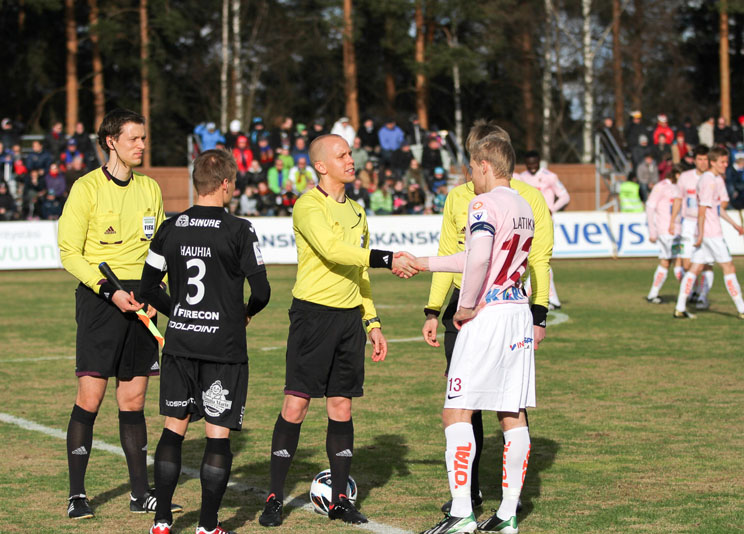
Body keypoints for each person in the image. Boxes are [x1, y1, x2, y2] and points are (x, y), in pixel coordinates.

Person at [258, 134, 416, 527]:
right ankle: (275, 497)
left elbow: (358, 272)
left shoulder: (360, 212)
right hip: (312, 317)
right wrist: (386, 257)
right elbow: (332, 249)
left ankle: (341, 500)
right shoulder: (307, 205)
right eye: (342, 155)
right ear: (322, 166)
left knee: (341, 406)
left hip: (349, 321)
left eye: (350, 153)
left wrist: (373, 322)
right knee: (296, 405)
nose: (351, 160)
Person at [422, 121, 553, 518]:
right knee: (511, 410)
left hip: (486, 310)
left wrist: (463, 307)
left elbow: (477, 259)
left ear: (482, 165)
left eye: (471, 167)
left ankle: (462, 511)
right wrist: (423, 263)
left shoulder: (482, 202)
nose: (470, 176)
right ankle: (508, 513)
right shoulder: (524, 203)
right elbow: (524, 259)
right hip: (516, 308)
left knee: (457, 408)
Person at [139, 149, 271, 534]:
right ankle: (208, 525)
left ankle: (162, 521)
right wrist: (243, 313)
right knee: (217, 434)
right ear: (227, 184)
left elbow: (147, 287)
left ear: (196, 183)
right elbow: (261, 291)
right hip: (223, 349)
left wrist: (177, 309)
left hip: (180, 343)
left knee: (172, 428)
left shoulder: (169, 227)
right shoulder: (240, 229)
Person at [57, 109, 180, 519]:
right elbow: (69, 253)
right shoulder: (86, 188)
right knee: (90, 397)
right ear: (111, 141)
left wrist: (153, 293)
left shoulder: (150, 189)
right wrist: (110, 291)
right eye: (133, 139)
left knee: (134, 399)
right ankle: (77, 494)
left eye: (143, 138)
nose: (141, 145)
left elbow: (160, 251)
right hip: (100, 301)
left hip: (143, 301)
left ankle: (140, 493)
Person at [673, 146, 744, 320]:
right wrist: (700, 234)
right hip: (711, 233)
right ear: (712, 162)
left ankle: (679, 307)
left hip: (708, 231)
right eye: (722, 162)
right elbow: (702, 209)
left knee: (695, 268)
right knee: (728, 267)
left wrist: (734, 224)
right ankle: (742, 308)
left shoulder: (711, 179)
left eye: (726, 161)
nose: (725, 164)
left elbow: (715, 209)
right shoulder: (710, 181)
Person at [515, 149, 568, 310]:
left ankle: (547, 298)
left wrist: (552, 209)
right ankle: (549, 298)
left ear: (539, 162)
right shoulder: (521, 178)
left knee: (540, 260)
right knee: (529, 260)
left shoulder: (550, 176)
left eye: (534, 163)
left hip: (544, 223)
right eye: (529, 164)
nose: (532, 167)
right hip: (527, 222)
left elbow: (565, 196)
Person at [676, 145, 714, 305]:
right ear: (694, 160)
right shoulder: (685, 177)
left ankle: (702, 296)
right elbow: (678, 199)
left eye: (706, 159)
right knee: (686, 263)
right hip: (689, 223)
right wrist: (674, 221)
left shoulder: (714, 178)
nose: (703, 162)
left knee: (707, 263)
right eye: (700, 159)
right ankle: (691, 291)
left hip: (707, 223)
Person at [645, 167, 682, 303]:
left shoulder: (679, 187)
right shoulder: (661, 187)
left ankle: (686, 294)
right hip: (666, 231)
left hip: (677, 230)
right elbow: (650, 207)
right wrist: (652, 231)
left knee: (675, 260)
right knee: (670, 261)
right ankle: (653, 294)